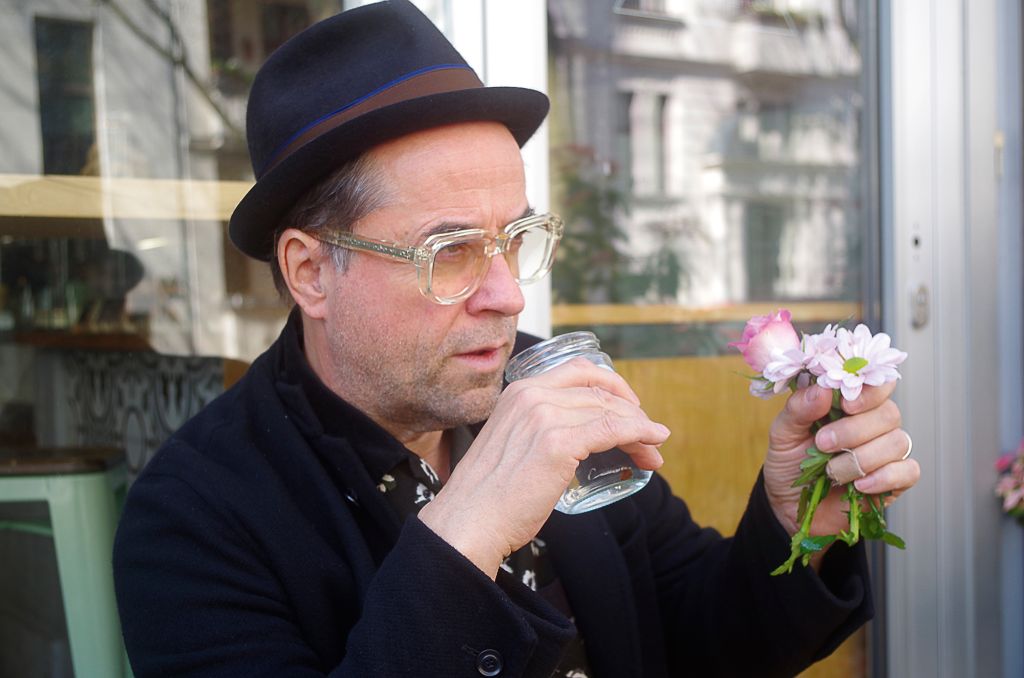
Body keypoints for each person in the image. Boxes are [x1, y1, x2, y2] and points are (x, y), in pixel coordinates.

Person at [112, 2, 920, 677]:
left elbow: (701, 639)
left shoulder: (541, 383)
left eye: (516, 240)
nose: (506, 296)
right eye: (451, 252)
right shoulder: (196, 514)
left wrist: (796, 528)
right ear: (311, 272)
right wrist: (470, 529)